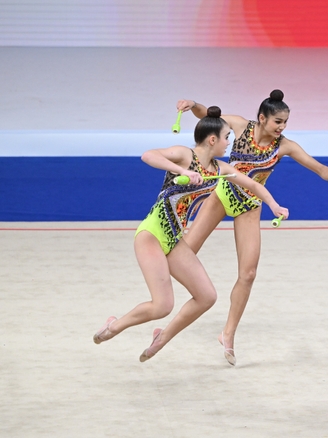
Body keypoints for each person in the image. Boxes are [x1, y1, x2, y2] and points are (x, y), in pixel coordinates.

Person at [92, 106, 289, 362]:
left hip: (174, 241)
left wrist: (274, 205)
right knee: (162, 305)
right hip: (152, 235)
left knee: (207, 297)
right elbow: (148, 155)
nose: (229, 143)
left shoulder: (220, 169)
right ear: (212, 139)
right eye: (227, 137)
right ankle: (114, 326)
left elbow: (252, 184)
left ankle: (161, 338)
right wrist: (184, 171)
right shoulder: (184, 155)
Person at [176, 90, 328, 366]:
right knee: (183, 254)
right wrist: (193, 104)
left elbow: (317, 167)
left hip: (250, 206)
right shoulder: (240, 126)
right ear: (262, 118)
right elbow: (208, 116)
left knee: (248, 273)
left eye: (285, 122)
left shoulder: (284, 146)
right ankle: (167, 311)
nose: (282, 127)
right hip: (222, 195)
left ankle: (228, 334)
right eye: (278, 121)